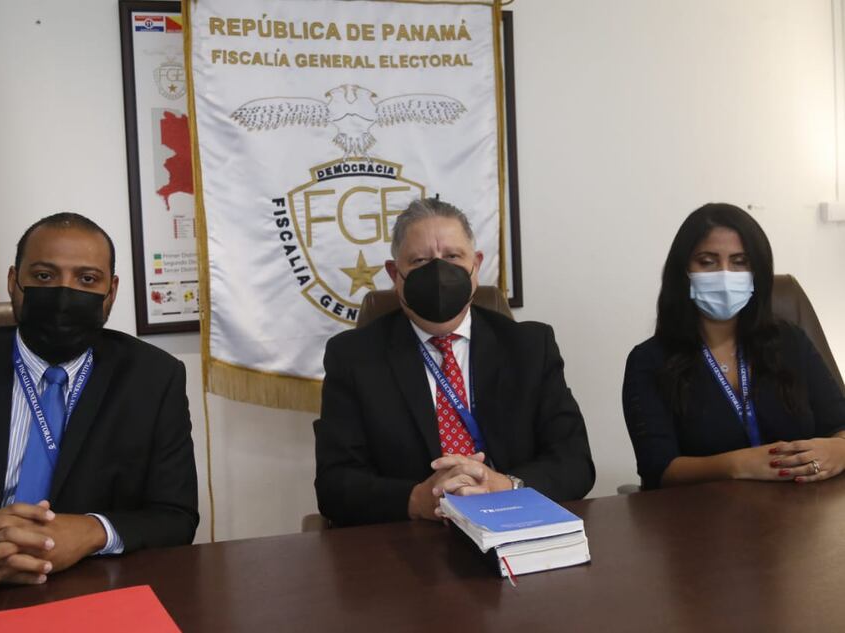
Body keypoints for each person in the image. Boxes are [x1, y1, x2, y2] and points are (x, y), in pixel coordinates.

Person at [0, 212, 198, 589]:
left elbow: (176, 515)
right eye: (43, 276)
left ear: (111, 292)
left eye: (87, 279)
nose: (64, 295)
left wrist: (92, 530)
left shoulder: (153, 379)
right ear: (13, 281)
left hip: (86, 587)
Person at [314, 198, 595, 526]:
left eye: (452, 257)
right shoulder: (354, 357)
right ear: (394, 273)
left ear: (476, 265)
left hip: (515, 526)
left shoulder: (530, 347)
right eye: (420, 260)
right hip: (409, 538)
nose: (438, 272)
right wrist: (416, 499)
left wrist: (505, 486)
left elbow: (575, 462)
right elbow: (335, 484)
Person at [623, 203, 845, 490]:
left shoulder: (790, 341)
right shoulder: (649, 360)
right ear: (684, 271)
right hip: (702, 513)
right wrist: (738, 465)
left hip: (803, 507)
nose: (725, 275)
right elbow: (658, 468)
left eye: (740, 262)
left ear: (757, 273)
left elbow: (839, 423)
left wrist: (838, 450)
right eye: (707, 262)